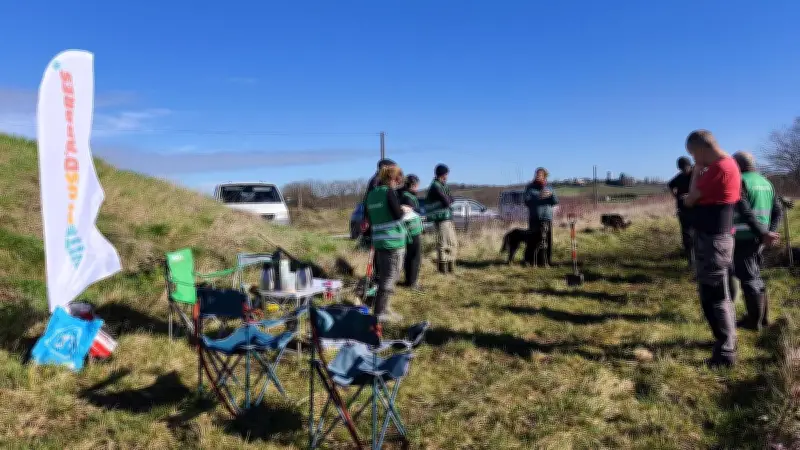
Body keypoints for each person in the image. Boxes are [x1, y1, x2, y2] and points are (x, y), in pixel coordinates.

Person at [682, 130, 779, 368]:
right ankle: (730, 339)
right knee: (720, 290)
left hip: (716, 239)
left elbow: (691, 199)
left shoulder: (720, 169)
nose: (694, 159)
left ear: (701, 148)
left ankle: (726, 350)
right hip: (722, 238)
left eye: (693, 154)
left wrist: (696, 173)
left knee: (716, 294)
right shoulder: (733, 168)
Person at [728, 151, 783, 331]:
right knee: (755, 276)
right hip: (759, 238)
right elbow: (778, 211)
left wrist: (764, 233)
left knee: (749, 279)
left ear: (737, 164)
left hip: (743, 237)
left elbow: (744, 211)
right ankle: (762, 319)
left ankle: (754, 322)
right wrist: (769, 232)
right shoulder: (766, 182)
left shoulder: (739, 181)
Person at [364, 165, 410, 323]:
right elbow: (397, 215)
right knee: (390, 277)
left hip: (379, 241)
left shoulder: (372, 194)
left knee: (384, 276)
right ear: (393, 178)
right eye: (398, 179)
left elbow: (370, 217)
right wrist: (404, 210)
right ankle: (380, 313)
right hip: (393, 242)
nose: (399, 181)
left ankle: (384, 308)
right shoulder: (388, 192)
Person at [523, 167, 559, 267]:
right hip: (534, 217)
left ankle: (546, 261)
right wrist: (538, 197)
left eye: (540, 174)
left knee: (547, 240)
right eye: (536, 174)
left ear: (545, 176)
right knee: (533, 240)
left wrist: (551, 195)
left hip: (546, 217)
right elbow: (526, 201)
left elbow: (555, 201)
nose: (538, 176)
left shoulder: (549, 187)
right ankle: (530, 261)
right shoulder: (530, 187)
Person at [425, 164, 457, 274]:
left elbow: (451, 198)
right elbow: (447, 201)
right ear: (443, 174)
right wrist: (448, 199)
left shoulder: (442, 186)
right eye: (446, 174)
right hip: (441, 219)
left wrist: (449, 199)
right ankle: (443, 270)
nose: (447, 176)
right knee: (443, 244)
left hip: (446, 218)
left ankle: (450, 267)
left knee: (452, 243)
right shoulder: (435, 186)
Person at [668, 156, 695, 270]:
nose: (683, 171)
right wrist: (675, 196)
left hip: (696, 210)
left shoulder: (696, 176)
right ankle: (691, 262)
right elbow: (670, 185)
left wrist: (691, 196)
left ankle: (700, 261)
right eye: (681, 169)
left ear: (689, 166)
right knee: (686, 236)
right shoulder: (679, 177)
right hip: (683, 210)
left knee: (697, 235)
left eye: (685, 168)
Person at [399, 174, 424, 291]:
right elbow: (416, 210)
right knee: (414, 256)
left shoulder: (404, 194)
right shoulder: (407, 196)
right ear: (413, 185)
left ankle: (409, 280)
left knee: (409, 256)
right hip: (412, 230)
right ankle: (412, 282)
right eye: (417, 185)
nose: (418, 188)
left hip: (411, 230)